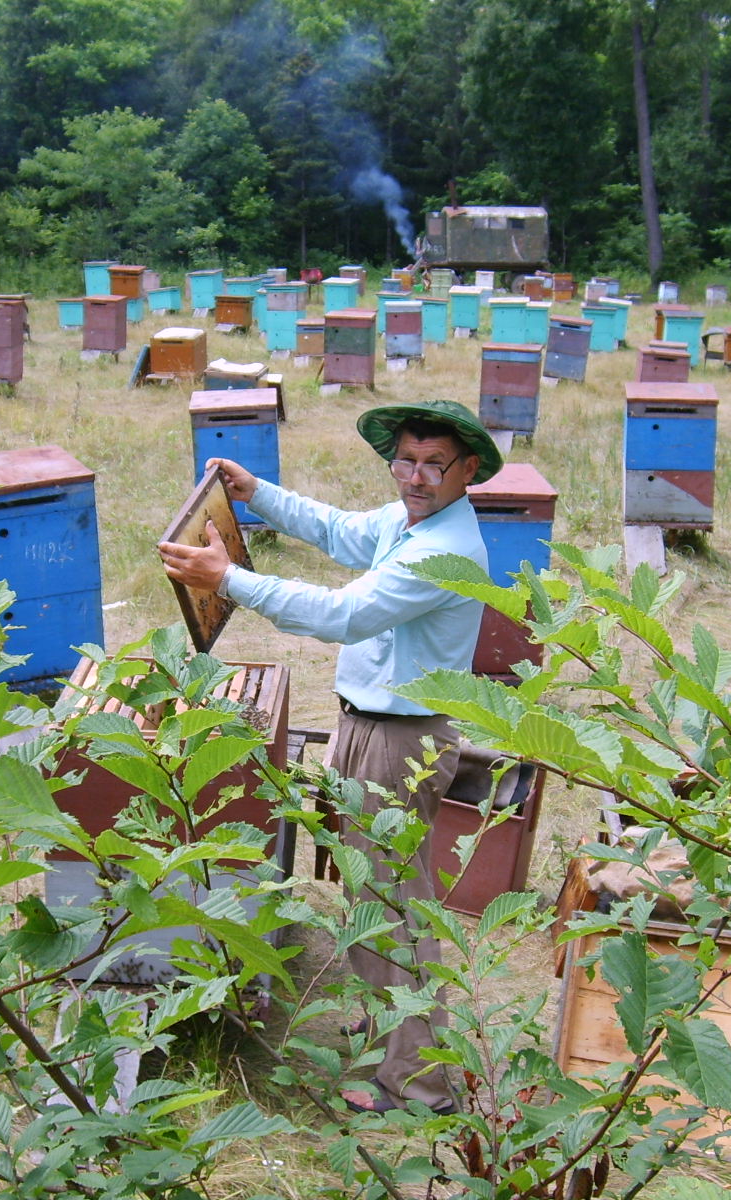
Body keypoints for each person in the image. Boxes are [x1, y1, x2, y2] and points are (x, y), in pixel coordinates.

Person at [157, 399, 502, 1116]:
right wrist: (260, 497)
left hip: (399, 741)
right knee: (369, 895)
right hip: (368, 727)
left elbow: (343, 614)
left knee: (392, 903)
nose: (416, 475)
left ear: (468, 470)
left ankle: (418, 1082)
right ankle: (389, 1031)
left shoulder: (446, 548)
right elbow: (342, 530)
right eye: (406, 460)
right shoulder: (409, 521)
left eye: (434, 464)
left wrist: (228, 581)